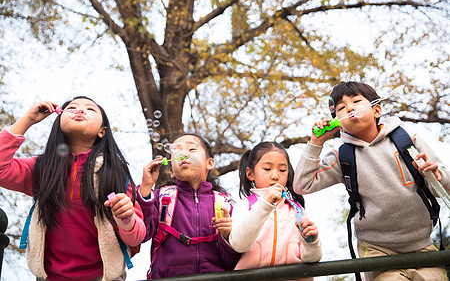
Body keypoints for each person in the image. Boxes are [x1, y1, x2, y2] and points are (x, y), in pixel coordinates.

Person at [294, 81, 449, 280]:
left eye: (356, 101)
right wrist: (317, 142)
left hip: (422, 246)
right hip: (377, 252)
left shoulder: (407, 139)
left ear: (376, 110)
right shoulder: (342, 157)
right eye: (341, 108)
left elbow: (443, 187)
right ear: (337, 123)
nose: (349, 108)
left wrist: (436, 177)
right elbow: (301, 185)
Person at [0, 97, 146, 281]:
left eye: (90, 109)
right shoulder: (41, 169)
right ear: (58, 122)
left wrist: (127, 218)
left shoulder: (115, 173)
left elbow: (136, 238)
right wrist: (27, 120)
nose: (80, 110)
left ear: (102, 131)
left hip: (103, 277)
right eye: (72, 107)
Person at [138, 134, 240, 279]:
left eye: (191, 149)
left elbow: (232, 263)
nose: (183, 154)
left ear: (209, 163)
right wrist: (146, 187)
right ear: (172, 171)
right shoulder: (161, 199)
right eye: (177, 151)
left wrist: (229, 237)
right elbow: (141, 234)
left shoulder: (223, 204)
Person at [229, 142, 322, 276]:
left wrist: (312, 242)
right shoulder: (244, 205)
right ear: (250, 174)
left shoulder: (296, 210)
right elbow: (239, 245)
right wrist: (265, 203)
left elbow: (312, 259)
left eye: (282, 170)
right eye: (267, 169)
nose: (275, 176)